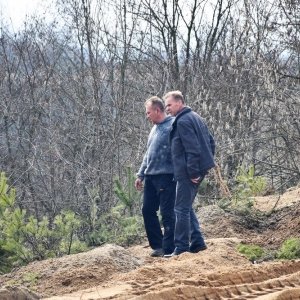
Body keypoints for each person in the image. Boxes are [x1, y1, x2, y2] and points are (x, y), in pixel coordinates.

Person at [163, 90, 215, 257]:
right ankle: (197, 241)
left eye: (169, 105)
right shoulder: (196, 117)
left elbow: (193, 150)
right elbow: (210, 143)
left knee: (180, 209)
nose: (167, 109)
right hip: (194, 170)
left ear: (179, 103)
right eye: (166, 106)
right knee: (186, 206)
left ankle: (181, 248)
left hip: (187, 173)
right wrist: (205, 165)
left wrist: (194, 171)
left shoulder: (183, 121)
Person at [135, 96, 176, 257]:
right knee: (147, 210)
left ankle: (170, 246)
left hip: (166, 176)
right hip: (151, 176)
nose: (147, 116)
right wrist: (141, 174)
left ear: (157, 110)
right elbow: (148, 154)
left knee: (167, 212)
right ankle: (157, 245)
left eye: (148, 113)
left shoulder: (172, 126)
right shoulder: (154, 128)